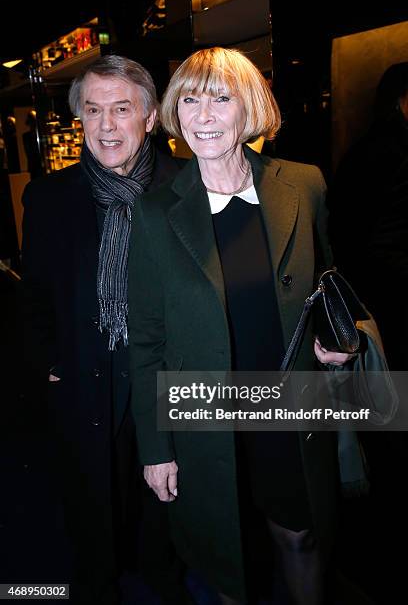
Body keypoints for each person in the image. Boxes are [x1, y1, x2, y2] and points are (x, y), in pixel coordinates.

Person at [128, 47, 358, 605]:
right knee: (227, 563)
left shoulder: (303, 185)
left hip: (288, 406)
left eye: (220, 99)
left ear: (250, 108)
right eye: (188, 100)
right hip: (206, 413)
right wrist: (155, 449)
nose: (202, 116)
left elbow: (333, 282)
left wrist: (345, 338)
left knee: (299, 536)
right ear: (175, 115)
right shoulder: (155, 213)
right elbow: (146, 341)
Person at [21, 55, 187, 605]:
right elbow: (37, 295)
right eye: (93, 111)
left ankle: (164, 574)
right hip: (85, 372)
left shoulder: (186, 192)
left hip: (163, 373)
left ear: (150, 117)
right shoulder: (48, 197)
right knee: (92, 500)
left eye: (121, 109)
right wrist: (49, 363)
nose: (107, 125)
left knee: (167, 498)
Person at [328, 61, 408, 369]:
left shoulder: (362, 147)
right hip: (387, 297)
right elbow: (387, 241)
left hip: (364, 289)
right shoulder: (395, 153)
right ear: (399, 100)